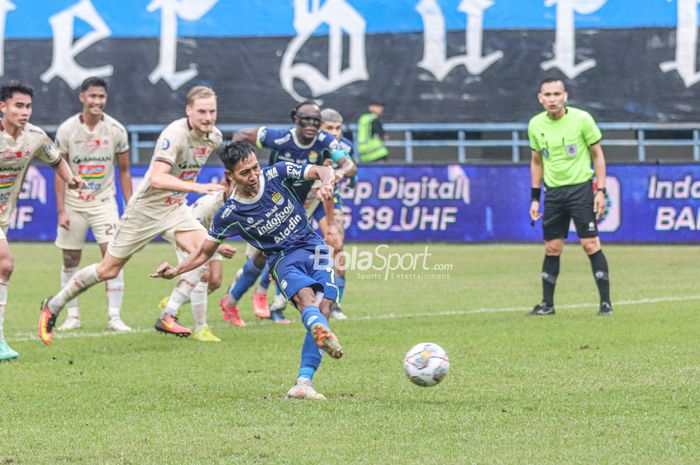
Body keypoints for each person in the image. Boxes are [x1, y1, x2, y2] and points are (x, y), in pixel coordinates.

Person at [151, 140, 344, 400]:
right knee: (304, 300)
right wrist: (175, 270)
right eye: (245, 172)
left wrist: (328, 183)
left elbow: (321, 170)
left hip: (314, 246)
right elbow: (204, 252)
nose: (253, 176)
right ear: (229, 176)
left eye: (255, 168)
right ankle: (305, 379)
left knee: (324, 308)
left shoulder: (277, 173)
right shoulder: (228, 213)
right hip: (282, 258)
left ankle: (304, 380)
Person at [38, 85, 224, 345]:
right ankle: (53, 306)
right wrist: (198, 187)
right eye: (202, 111)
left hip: (175, 208)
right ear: (188, 111)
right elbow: (158, 179)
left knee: (205, 254)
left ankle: (168, 313)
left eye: (212, 111)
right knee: (108, 270)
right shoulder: (175, 134)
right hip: (146, 210)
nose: (208, 117)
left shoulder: (214, 137)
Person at [221, 100, 347, 324]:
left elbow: (348, 165)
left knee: (328, 247)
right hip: (270, 205)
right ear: (295, 119)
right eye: (306, 119)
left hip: (302, 206)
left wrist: (339, 172)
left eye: (316, 121)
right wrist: (235, 172)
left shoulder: (326, 141)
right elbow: (241, 134)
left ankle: (311, 302)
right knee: (262, 258)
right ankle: (236, 299)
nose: (311, 125)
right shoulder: (279, 137)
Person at [0, 81, 83, 360]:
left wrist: (70, 178)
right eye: (18, 106)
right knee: (5, 264)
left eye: (28, 106)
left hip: (3, 216)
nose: (25, 111)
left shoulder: (34, 136)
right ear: (3, 107)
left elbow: (55, 158)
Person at [53, 77, 133, 333]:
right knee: (70, 258)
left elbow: (124, 170)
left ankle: (114, 316)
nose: (97, 101)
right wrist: (62, 211)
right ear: (82, 97)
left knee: (113, 257)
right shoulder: (66, 130)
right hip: (74, 204)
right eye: (92, 96)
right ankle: (72, 316)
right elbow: (58, 171)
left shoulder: (116, 129)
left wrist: (129, 205)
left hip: (104, 203)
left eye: (101, 97)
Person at [528, 77, 612, 317]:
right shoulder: (535, 125)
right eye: (548, 95)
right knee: (552, 247)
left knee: (590, 244)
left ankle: (605, 303)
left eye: (557, 94)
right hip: (554, 194)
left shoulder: (582, 119)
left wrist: (601, 190)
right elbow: (536, 161)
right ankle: (547, 304)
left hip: (581, 190)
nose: (552, 99)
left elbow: (598, 156)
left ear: (565, 96)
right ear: (540, 98)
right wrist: (535, 198)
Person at [157, 178, 238, 341]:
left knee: (215, 281)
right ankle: (201, 329)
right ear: (226, 186)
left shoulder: (241, 204)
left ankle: (172, 300)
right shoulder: (210, 205)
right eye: (235, 186)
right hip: (186, 232)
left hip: (211, 239)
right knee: (203, 273)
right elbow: (195, 236)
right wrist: (219, 247)